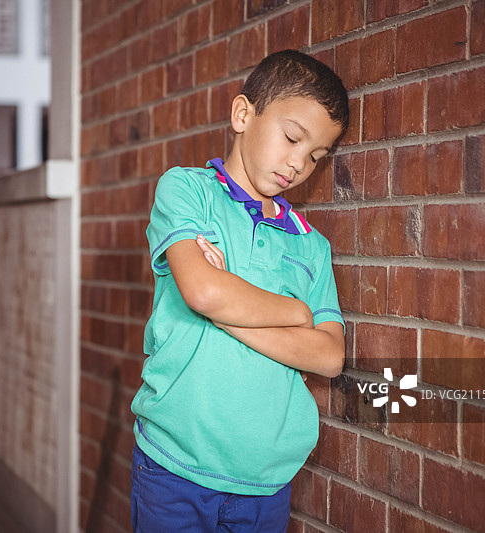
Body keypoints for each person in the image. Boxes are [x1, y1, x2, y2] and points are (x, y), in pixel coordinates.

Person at [130, 49, 349, 532]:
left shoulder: (311, 246)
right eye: (292, 138)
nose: (298, 163)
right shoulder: (186, 191)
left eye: (316, 156)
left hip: (265, 482)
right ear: (243, 114)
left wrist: (227, 308)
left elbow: (330, 356)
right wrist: (297, 313)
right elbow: (204, 293)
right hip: (173, 464)